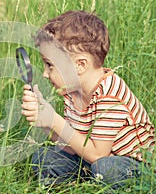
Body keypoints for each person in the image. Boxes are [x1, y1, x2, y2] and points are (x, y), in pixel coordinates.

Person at [21, 10, 155, 188]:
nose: (45, 74)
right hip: (92, 161)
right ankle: (83, 185)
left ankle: (98, 182)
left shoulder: (110, 94)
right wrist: (44, 122)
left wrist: (54, 121)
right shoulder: (72, 92)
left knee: (105, 168)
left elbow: (98, 155)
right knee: (45, 156)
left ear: (80, 65)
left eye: (50, 65)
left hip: (135, 167)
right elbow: (72, 145)